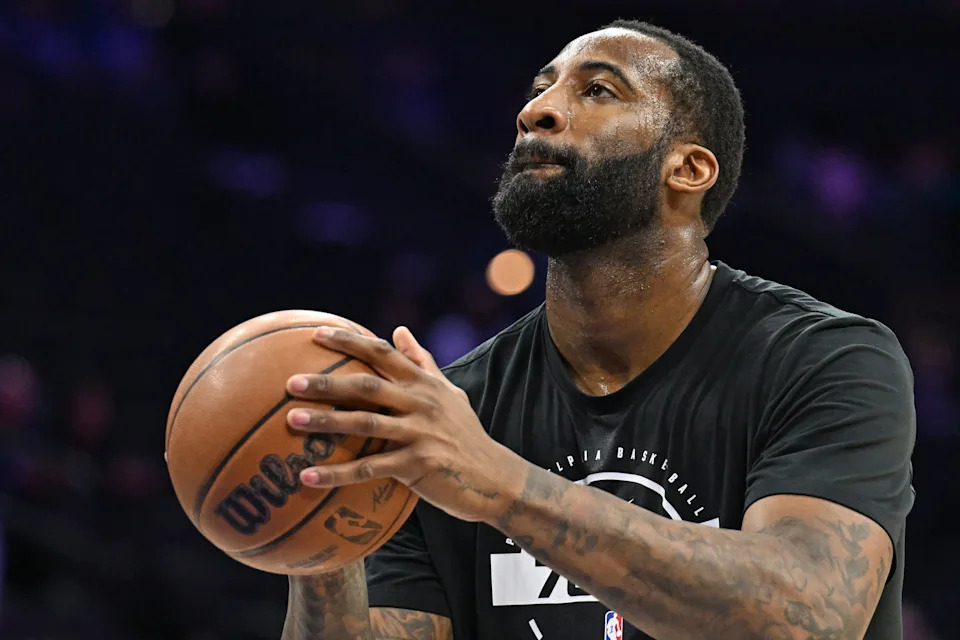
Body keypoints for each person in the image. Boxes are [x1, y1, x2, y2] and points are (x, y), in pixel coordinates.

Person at [279, 19, 915, 640]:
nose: (536, 112)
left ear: (688, 169)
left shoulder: (825, 360)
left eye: (597, 90)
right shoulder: (452, 414)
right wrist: (316, 539)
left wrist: (498, 483)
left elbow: (810, 618)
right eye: (539, 90)